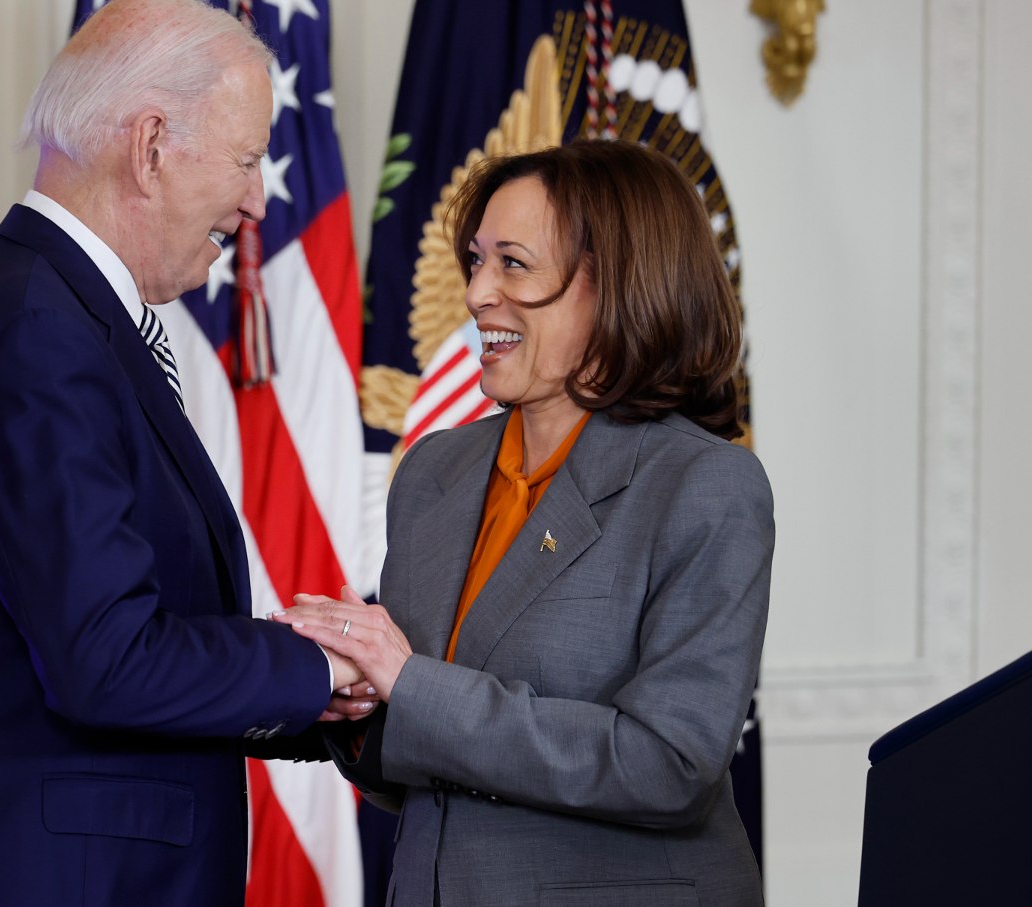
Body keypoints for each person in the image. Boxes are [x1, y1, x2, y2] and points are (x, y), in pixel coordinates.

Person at [0, 2, 369, 904]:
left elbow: (114, 631)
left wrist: (326, 690)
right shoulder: (38, 335)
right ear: (152, 145)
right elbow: (108, 658)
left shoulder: (51, 313)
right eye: (245, 161)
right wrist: (321, 666)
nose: (255, 202)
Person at [275, 139, 775, 906]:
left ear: (617, 284)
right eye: (476, 261)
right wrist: (359, 708)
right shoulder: (434, 472)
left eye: (512, 263)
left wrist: (410, 682)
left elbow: (670, 763)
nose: (477, 293)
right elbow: (425, 758)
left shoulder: (704, 486)